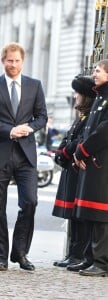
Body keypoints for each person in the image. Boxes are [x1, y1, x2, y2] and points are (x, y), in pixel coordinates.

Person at [0, 42, 47, 271]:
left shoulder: (34, 86)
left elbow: (42, 117)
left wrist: (28, 127)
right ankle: (1, 256)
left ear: (22, 61)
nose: (14, 65)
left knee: (30, 202)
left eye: (17, 61)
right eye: (10, 61)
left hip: (25, 154)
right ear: (3, 61)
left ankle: (20, 252)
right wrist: (9, 130)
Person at [52, 75, 96, 269]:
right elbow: (68, 140)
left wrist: (68, 149)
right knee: (72, 216)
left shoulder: (90, 118)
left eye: (78, 93)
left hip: (79, 172)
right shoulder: (81, 117)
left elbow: (80, 142)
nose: (75, 96)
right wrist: (63, 151)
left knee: (80, 217)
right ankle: (73, 253)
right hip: (71, 170)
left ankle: (78, 255)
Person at [72, 59, 108, 277]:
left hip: (102, 162)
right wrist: (80, 152)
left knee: (101, 215)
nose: (94, 73)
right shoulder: (100, 96)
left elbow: (104, 131)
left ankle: (101, 263)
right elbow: (89, 128)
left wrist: (82, 150)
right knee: (91, 214)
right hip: (92, 161)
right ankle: (90, 258)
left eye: (97, 70)